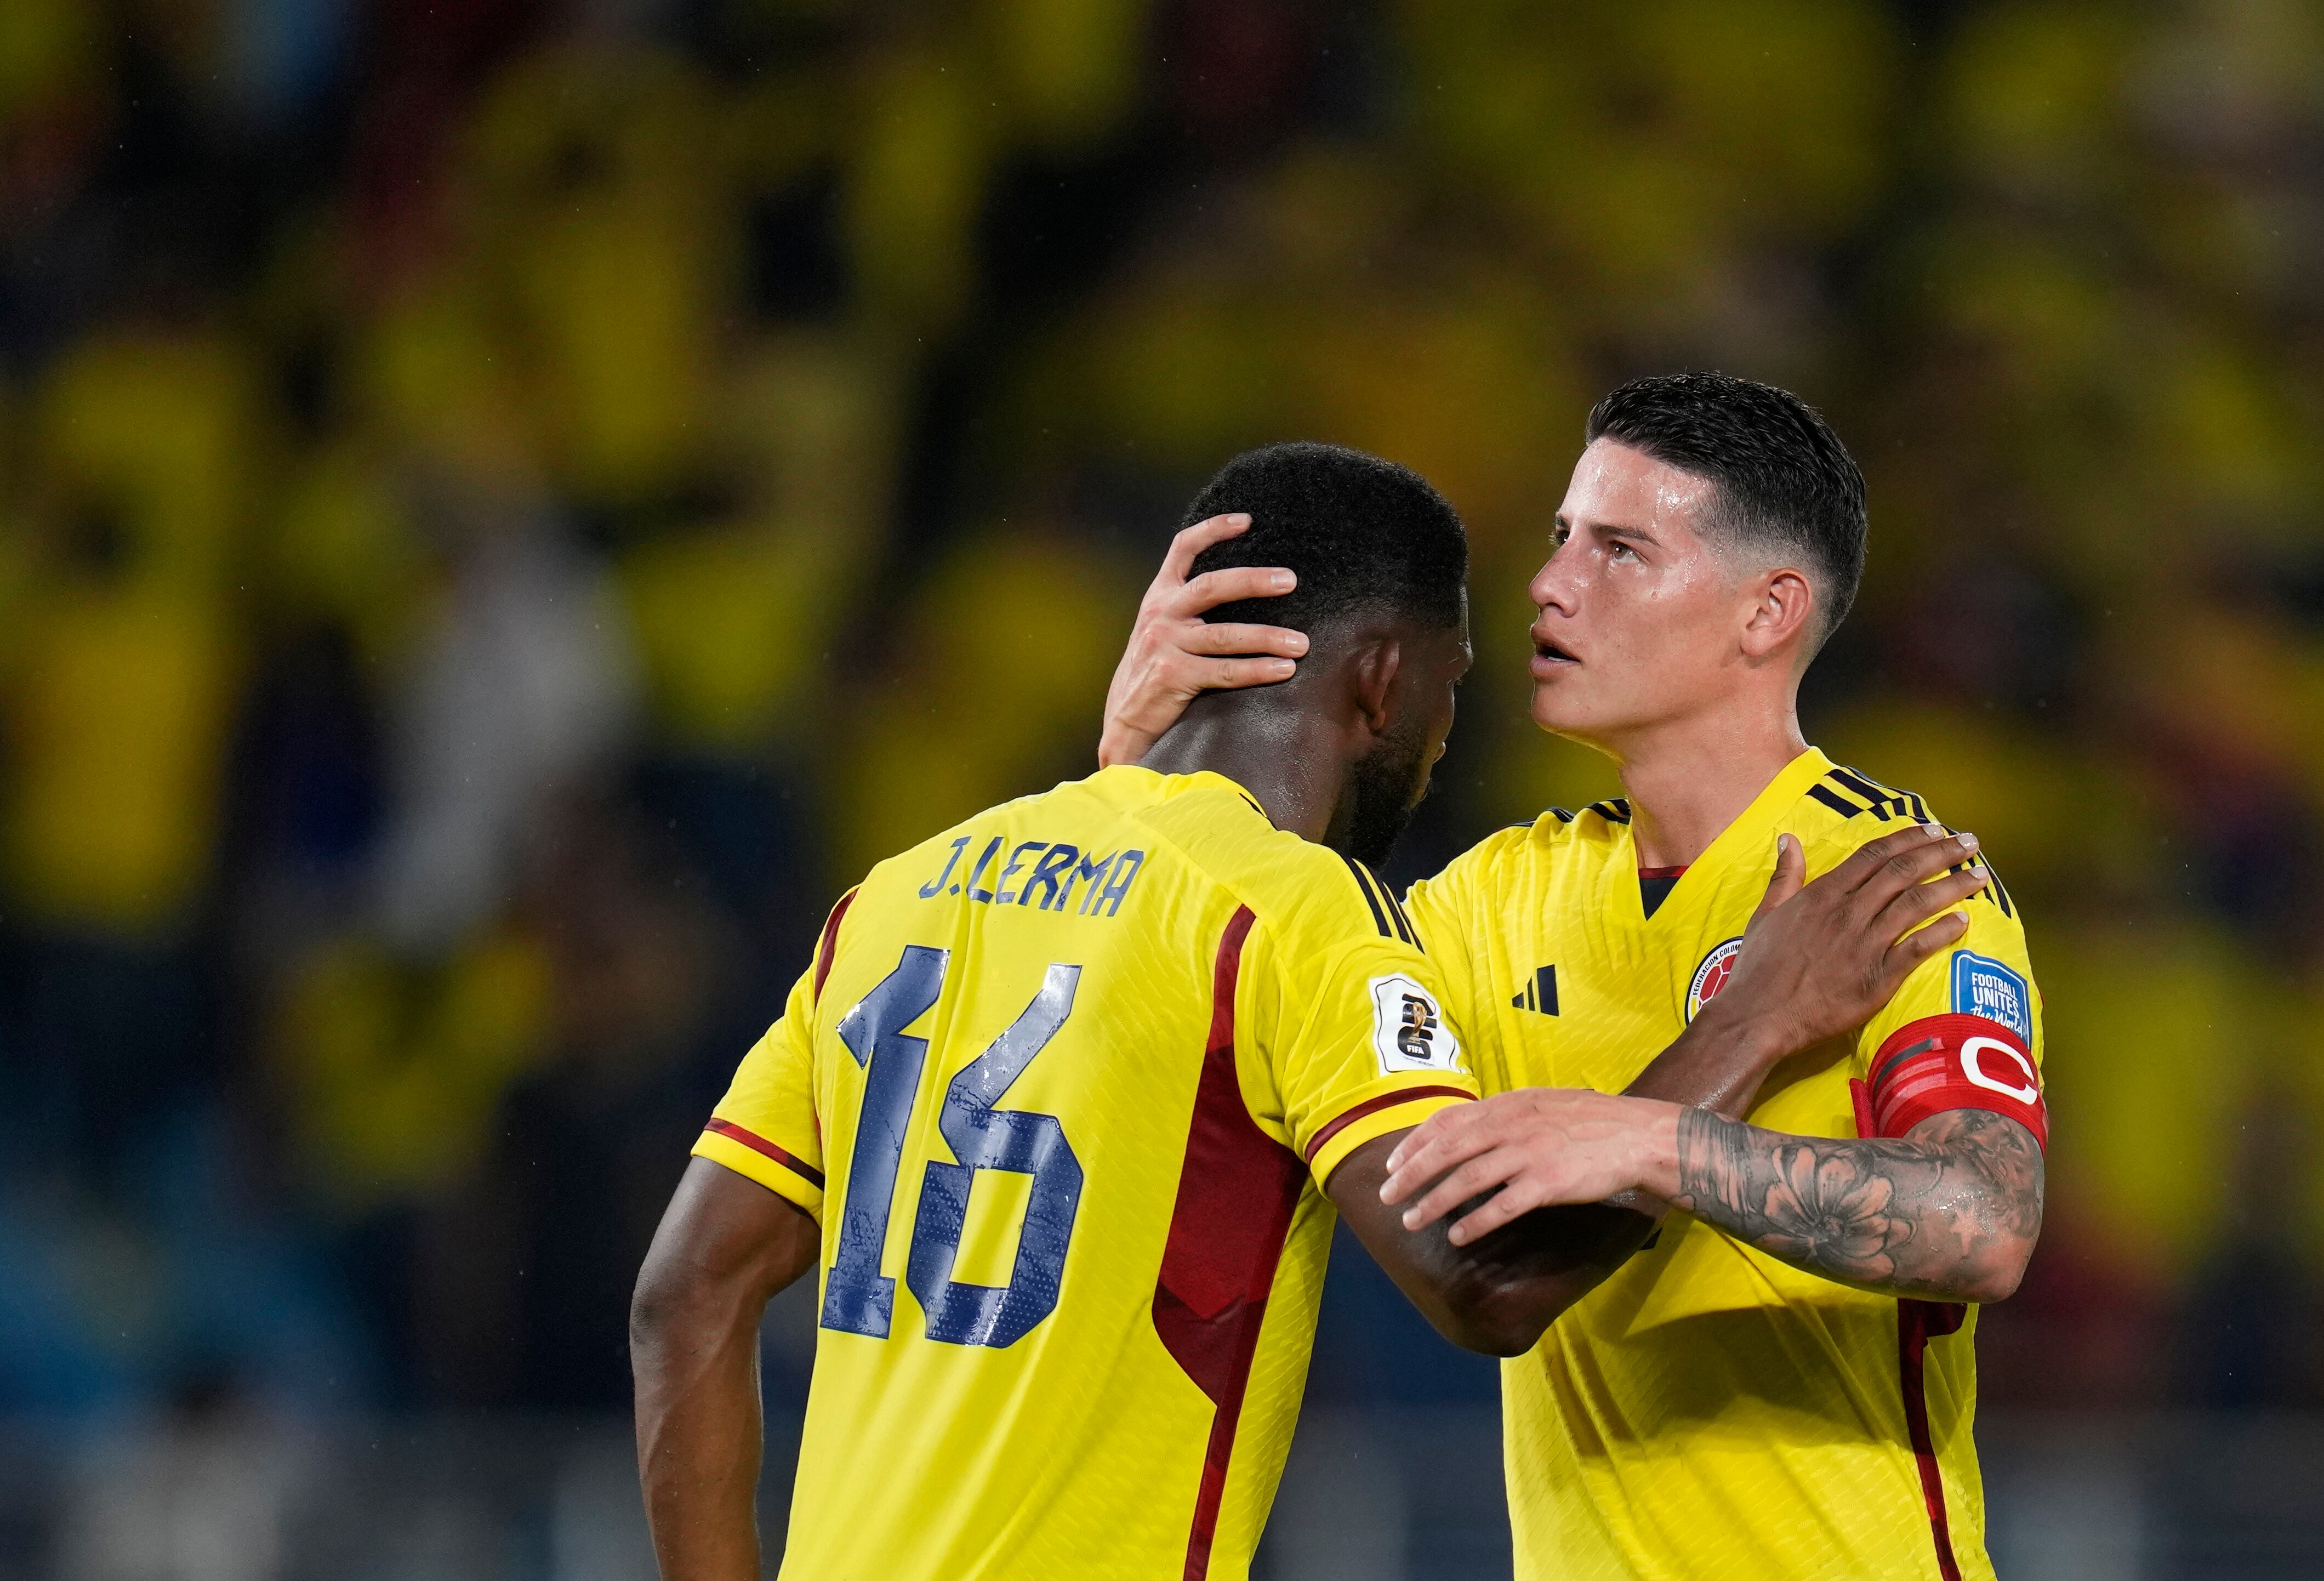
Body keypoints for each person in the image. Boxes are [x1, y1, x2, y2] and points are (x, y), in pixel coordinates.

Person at [630, 440, 1989, 1581]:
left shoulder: (899, 893)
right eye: (1450, 685)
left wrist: (1124, 761)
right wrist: (1749, 1022)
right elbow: (1490, 1279)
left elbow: (684, 1293)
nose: (1449, 731)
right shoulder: (1294, 914)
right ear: (1381, 681)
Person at [1101, 373, 2047, 1580]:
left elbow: (1983, 1221)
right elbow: (1200, 992)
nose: (1548, 585)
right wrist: (1136, 765)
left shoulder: (1887, 884)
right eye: (1559, 539)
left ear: (1765, 613)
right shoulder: (1496, 896)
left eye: (1619, 549)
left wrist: (1651, 1145)